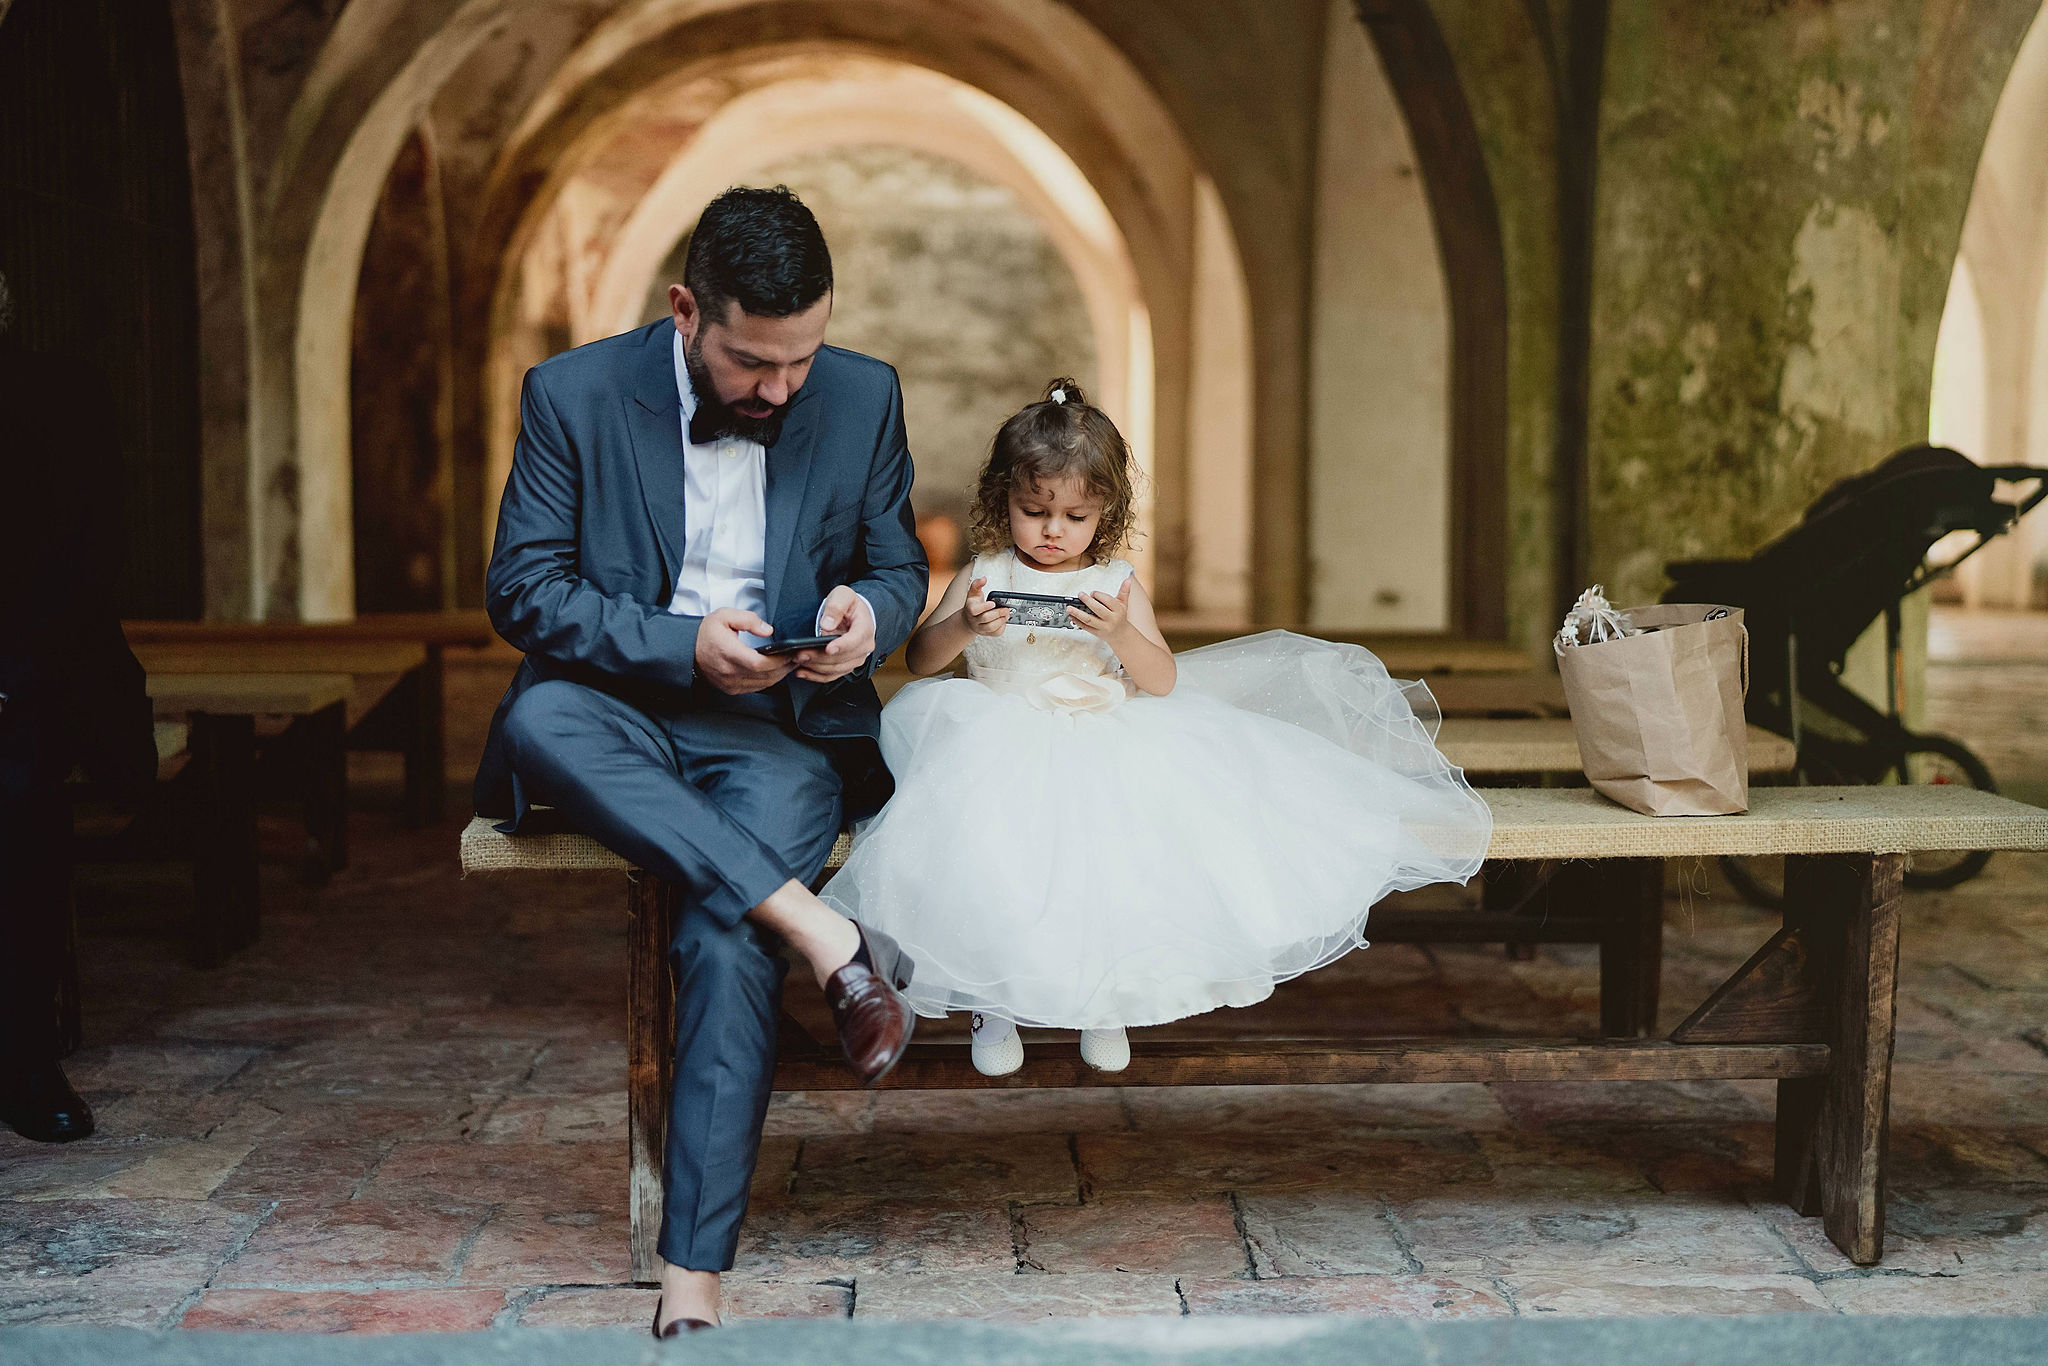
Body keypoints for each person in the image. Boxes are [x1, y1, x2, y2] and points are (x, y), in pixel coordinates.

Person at [472, 187, 929, 1335]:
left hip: (771, 735)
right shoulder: (571, 393)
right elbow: (522, 592)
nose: (779, 389)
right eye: (750, 362)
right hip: (613, 709)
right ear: (684, 309)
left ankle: (693, 1281)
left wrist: (866, 617)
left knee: (723, 935)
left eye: (801, 359)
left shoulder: (863, 393)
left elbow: (896, 565)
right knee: (538, 721)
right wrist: (681, 645)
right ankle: (829, 937)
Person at [820, 378, 1492, 1075]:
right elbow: (923, 661)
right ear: (1001, 501)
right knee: (993, 863)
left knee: (1115, 867)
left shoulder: (1116, 581)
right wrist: (964, 622)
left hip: (1106, 736)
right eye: (1034, 511)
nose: (1053, 532)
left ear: (1104, 513)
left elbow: (1163, 679)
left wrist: (1120, 633)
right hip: (994, 737)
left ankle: (1109, 1001)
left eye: (1075, 517)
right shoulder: (983, 573)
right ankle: (996, 1006)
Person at [0, 269, 157, 1142]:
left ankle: (24, 1053)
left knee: (20, 784)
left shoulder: (52, 400)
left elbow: (81, 563)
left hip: (22, 670)